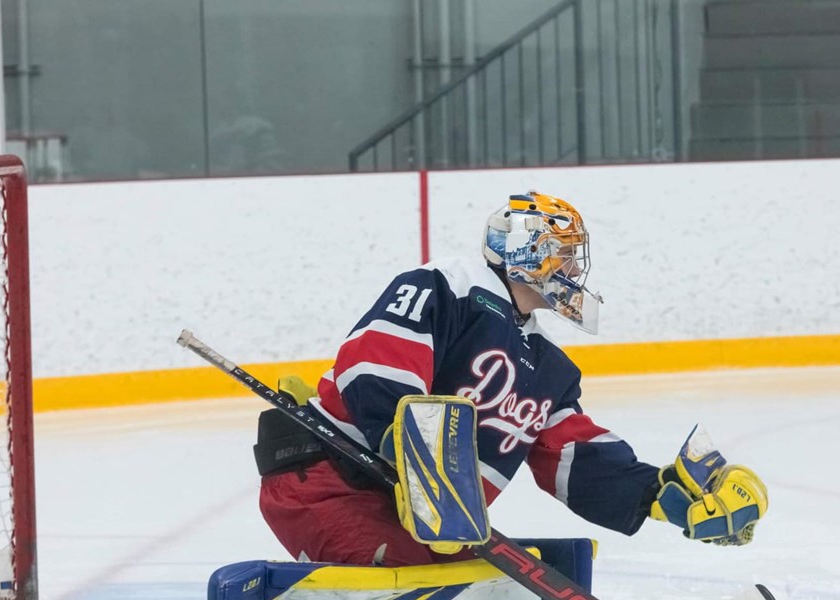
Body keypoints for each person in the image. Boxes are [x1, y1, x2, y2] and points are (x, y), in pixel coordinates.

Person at [252, 191, 768, 568]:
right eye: (561, 253)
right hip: (330, 483)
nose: (572, 268)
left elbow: (576, 459)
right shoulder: (447, 286)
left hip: (411, 515)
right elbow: (377, 362)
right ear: (527, 252)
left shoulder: (550, 368)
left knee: (477, 581)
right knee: (428, 580)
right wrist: (408, 448)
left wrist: (659, 493)